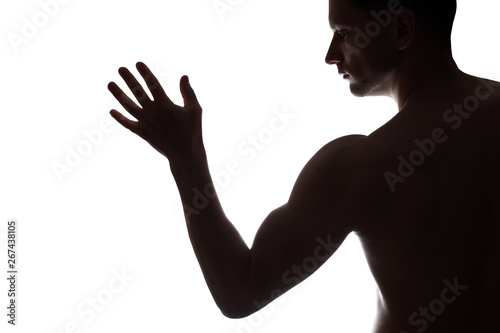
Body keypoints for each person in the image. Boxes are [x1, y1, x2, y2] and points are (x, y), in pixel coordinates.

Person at [107, 0, 499, 331]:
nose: (331, 54)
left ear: (399, 29)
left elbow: (239, 291)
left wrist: (187, 159)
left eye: (344, 33)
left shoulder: (361, 166)